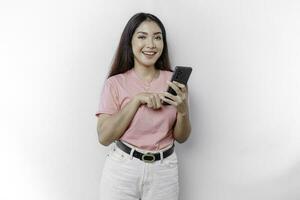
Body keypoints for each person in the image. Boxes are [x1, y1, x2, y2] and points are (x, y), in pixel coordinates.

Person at [95, 12, 191, 200]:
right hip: (122, 169)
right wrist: (136, 100)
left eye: (157, 37)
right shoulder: (115, 83)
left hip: (164, 171)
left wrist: (183, 111)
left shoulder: (174, 83)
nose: (151, 44)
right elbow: (104, 137)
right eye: (142, 37)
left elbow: (182, 137)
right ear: (129, 42)